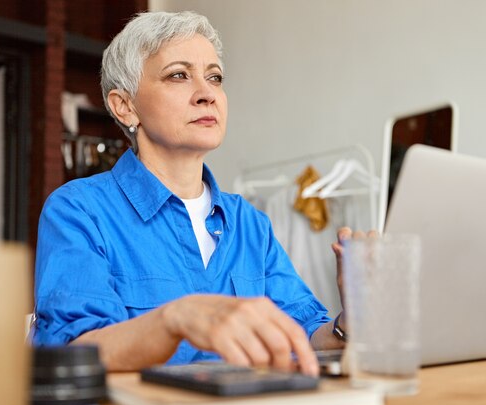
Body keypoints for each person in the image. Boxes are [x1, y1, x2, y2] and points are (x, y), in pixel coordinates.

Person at [33, 11, 369, 376]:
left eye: (215, 77)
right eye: (178, 75)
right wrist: (174, 318)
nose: (207, 93)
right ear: (124, 106)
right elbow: (73, 353)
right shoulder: (79, 211)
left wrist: (351, 319)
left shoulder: (250, 223)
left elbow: (303, 335)